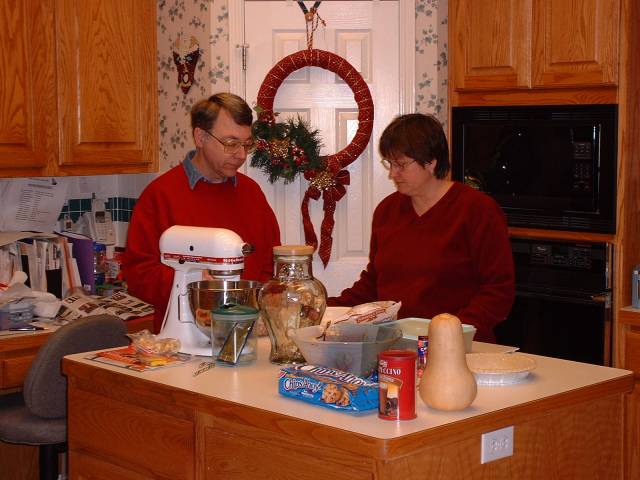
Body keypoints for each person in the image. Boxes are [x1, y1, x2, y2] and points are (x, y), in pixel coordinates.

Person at [328, 113, 515, 342]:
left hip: (460, 347)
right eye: (390, 163)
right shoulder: (387, 211)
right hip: (396, 345)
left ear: (431, 162)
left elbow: (498, 291)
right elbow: (374, 283)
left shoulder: (477, 210)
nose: (392, 173)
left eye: (401, 164)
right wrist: (326, 310)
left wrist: (449, 333)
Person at [122, 93, 281, 332]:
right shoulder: (160, 195)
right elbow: (137, 274)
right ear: (201, 137)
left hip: (247, 333)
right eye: (230, 143)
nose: (241, 155)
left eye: (246, 144)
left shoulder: (252, 193)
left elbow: (271, 263)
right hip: (182, 339)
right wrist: (191, 283)